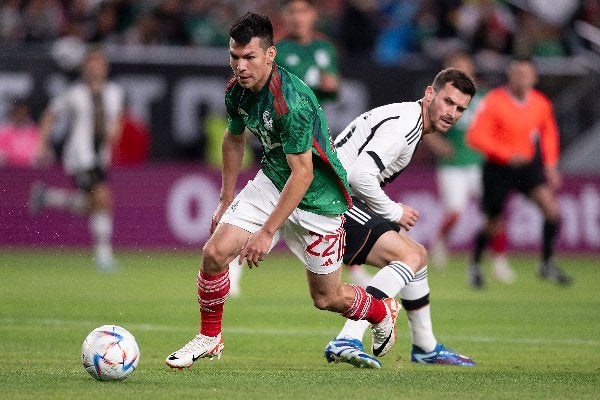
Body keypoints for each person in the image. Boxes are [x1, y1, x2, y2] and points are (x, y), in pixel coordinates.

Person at [165, 12, 399, 370]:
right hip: (274, 180)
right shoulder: (236, 92)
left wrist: (266, 232)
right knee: (214, 254)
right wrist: (225, 200)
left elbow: (303, 174)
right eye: (234, 56)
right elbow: (233, 138)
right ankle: (210, 337)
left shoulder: (291, 102)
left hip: (320, 199)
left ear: (271, 55)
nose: (239, 66)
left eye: (249, 57)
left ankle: (382, 310)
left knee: (327, 298)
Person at [323, 68, 478, 368]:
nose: (452, 113)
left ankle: (425, 346)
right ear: (429, 94)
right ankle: (348, 335)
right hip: (330, 196)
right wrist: (394, 211)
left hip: (336, 194)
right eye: (448, 102)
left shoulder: (412, 121)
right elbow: (359, 176)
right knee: (407, 256)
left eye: (460, 109)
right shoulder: (406, 125)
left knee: (415, 255)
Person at [227, 0, 370, 297]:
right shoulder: (276, 51)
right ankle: (233, 273)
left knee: (314, 208)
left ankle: (351, 266)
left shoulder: (324, 48)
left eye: (302, 11)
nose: (297, 18)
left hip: (313, 138)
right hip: (276, 138)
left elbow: (333, 88)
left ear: (312, 15)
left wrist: (330, 85)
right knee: (270, 203)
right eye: (291, 12)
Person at [466, 57, 571, 288]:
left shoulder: (541, 103)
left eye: (526, 74)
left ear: (534, 78)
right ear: (510, 76)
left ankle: (546, 263)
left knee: (551, 210)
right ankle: (474, 264)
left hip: (528, 166)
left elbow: (549, 133)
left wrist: (551, 164)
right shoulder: (494, 101)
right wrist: (505, 154)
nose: (522, 78)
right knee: (493, 222)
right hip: (498, 168)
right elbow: (474, 136)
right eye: (517, 73)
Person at [29, 46, 125, 270]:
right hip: (80, 157)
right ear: (84, 68)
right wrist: (42, 143)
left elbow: (117, 118)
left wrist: (116, 133)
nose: (95, 67)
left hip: (100, 157)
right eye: (91, 63)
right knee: (102, 198)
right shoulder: (75, 93)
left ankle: (47, 197)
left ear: (105, 67)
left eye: (98, 63)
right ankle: (103, 256)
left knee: (94, 203)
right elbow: (50, 114)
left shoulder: (114, 92)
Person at [425, 51, 515, 283]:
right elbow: (426, 125)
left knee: (493, 212)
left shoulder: (485, 96)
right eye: (457, 67)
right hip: (453, 163)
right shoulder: (441, 97)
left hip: (481, 163)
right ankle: (441, 242)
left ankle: (499, 259)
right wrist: (438, 144)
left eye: (465, 66)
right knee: (455, 210)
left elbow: (501, 125)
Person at [0, 99, 42, 168]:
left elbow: (45, 156)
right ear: (13, 113)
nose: (20, 115)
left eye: (23, 112)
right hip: (6, 170)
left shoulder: (37, 131)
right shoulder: (4, 131)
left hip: (30, 171)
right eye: (18, 112)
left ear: (28, 113)